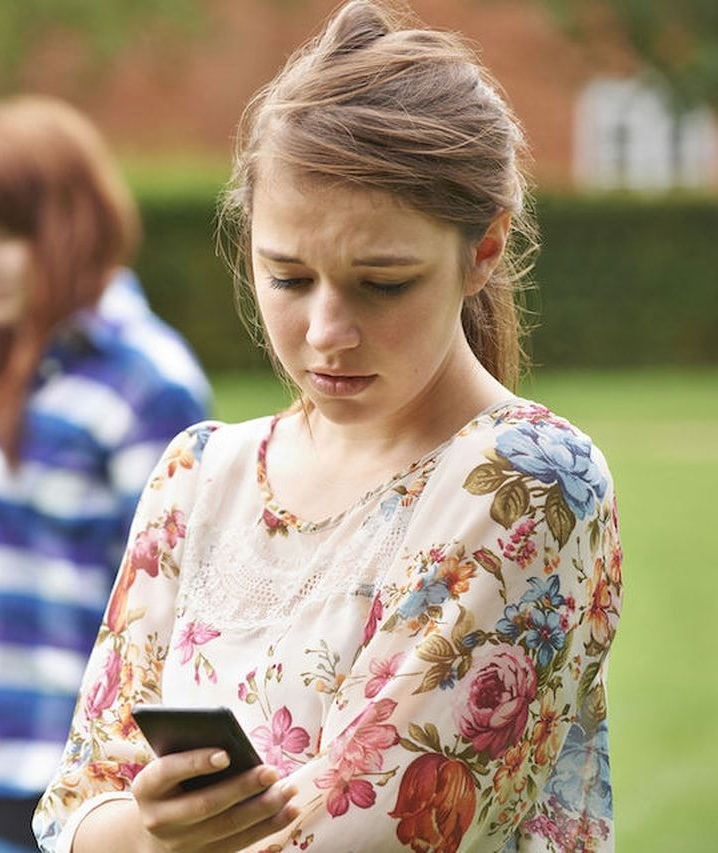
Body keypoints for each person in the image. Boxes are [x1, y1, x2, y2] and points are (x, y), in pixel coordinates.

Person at [33, 3, 623, 852]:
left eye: (382, 282)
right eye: (289, 277)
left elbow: (371, 834)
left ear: (484, 249)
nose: (325, 331)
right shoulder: (198, 474)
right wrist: (151, 835)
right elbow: (67, 810)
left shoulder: (529, 480)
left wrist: (154, 836)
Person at [0, 96, 212, 852]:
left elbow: (185, 595)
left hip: (92, 783)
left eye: (2, 236)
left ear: (69, 225)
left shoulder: (147, 379)